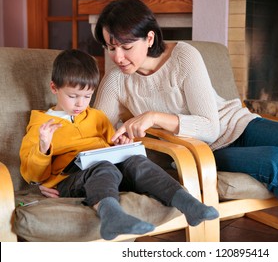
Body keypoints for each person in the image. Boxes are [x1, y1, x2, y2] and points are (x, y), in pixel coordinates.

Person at [88, 0, 278, 242]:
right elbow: (95, 131)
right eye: (110, 48)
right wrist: (120, 132)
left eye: (126, 47)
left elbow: (210, 124)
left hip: (238, 123)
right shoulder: (116, 80)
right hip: (208, 151)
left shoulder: (183, 57)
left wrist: (153, 116)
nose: (117, 57)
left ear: (149, 37)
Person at [19, 49, 219, 241]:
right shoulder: (41, 125)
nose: (81, 104)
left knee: (136, 161)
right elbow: (32, 175)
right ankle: (111, 217)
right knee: (103, 166)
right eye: (73, 96)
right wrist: (43, 148)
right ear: (54, 88)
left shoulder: (96, 117)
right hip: (71, 180)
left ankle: (188, 204)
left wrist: (122, 144)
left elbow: (111, 143)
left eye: (88, 96)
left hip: (109, 175)